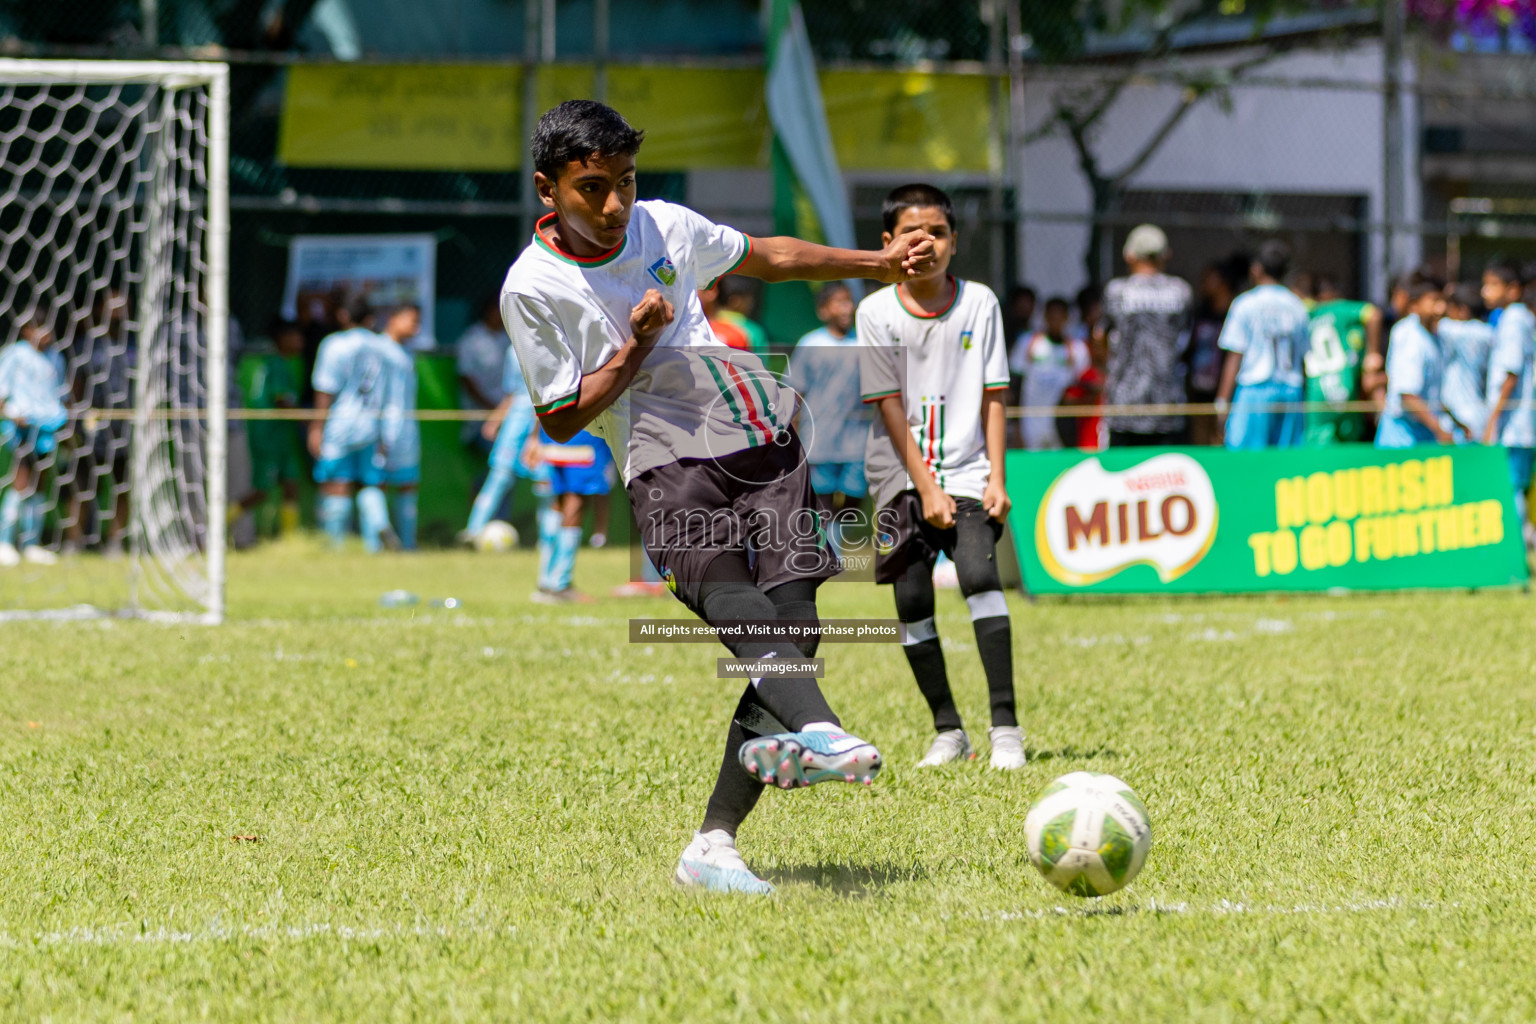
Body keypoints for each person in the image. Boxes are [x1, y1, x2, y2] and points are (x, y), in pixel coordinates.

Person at [501, 100, 935, 895]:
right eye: (592, 187)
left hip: (758, 438)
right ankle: (821, 730)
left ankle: (713, 845)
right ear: (547, 189)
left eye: (625, 183)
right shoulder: (532, 288)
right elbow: (562, 416)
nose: (613, 206)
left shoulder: (665, 225)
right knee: (740, 608)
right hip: (664, 462)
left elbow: (767, 255)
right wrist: (637, 344)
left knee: (793, 627)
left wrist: (874, 267)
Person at [857, 182, 1023, 773]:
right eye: (911, 231)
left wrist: (996, 479)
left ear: (954, 242)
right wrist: (924, 487)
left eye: (938, 231)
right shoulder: (874, 311)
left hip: (970, 472)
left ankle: (1005, 727)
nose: (924, 240)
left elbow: (996, 397)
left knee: (980, 576)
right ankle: (947, 729)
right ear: (888, 242)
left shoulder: (980, 302)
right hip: (901, 476)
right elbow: (888, 405)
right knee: (911, 600)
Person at [308, 297, 398, 553]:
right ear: (370, 319)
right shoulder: (382, 347)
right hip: (371, 424)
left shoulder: (334, 345)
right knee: (370, 482)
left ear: (343, 316)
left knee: (336, 482)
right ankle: (377, 535)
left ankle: (334, 545)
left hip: (340, 424)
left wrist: (316, 428)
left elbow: (325, 388)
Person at [784, 282, 867, 553]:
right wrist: (792, 436)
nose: (846, 308)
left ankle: (836, 546)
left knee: (855, 496)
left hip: (857, 439)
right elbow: (795, 392)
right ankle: (829, 554)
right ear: (823, 310)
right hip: (819, 439)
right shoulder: (811, 343)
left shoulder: (863, 342)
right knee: (823, 500)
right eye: (839, 302)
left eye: (848, 302)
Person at [1099, 224, 1193, 446]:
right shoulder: (1181, 291)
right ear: (1165, 254)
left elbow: (1101, 336)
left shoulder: (1116, 291)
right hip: (1168, 404)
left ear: (1129, 255)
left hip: (1123, 404)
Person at [1216, 240, 1310, 449]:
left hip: (1254, 389)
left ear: (1256, 269)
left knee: (1247, 461)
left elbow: (1235, 355)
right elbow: (1305, 357)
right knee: (1285, 465)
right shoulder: (1297, 305)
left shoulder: (1245, 303)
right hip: (1290, 390)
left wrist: (1222, 402)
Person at [0, 315, 68, 567]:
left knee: (39, 484)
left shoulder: (55, 357)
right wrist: (11, 413)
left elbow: (61, 392)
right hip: (22, 427)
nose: (46, 335)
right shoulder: (15, 355)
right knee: (20, 481)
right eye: (40, 329)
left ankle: (31, 543)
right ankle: (5, 542)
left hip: (46, 426)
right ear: (27, 330)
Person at [1480, 262, 1535, 551]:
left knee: (1510, 486)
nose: (1484, 292)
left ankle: (1513, 553)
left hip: (1513, 424)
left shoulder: (1513, 319)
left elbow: (1510, 375)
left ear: (1512, 290)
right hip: (1523, 423)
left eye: (1492, 285)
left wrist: (1492, 421)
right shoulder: (1521, 317)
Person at [1303, 273, 1383, 446]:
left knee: (1318, 447)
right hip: (1345, 384)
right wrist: (1373, 354)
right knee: (1350, 446)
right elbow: (1373, 313)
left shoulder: (1307, 313)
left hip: (1317, 391)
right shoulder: (1341, 308)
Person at [243, 320, 305, 537]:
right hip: (268, 438)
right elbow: (281, 400)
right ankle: (219, 523)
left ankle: (290, 539)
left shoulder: (285, 364)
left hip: (282, 438)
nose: (300, 341)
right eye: (296, 336)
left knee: (291, 484)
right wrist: (307, 418)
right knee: (262, 492)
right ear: (282, 339)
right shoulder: (275, 364)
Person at [1376, 279, 1454, 448]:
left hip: (1423, 430)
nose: (1440, 308)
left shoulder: (1435, 337)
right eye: (1433, 301)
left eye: (1442, 301)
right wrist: (1439, 430)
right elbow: (1408, 395)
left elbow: (1432, 393)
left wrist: (1456, 421)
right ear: (1414, 305)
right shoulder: (1409, 335)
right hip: (1401, 436)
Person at [1013, 295, 1090, 451]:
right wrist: (1016, 426)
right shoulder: (1027, 343)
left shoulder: (1078, 349)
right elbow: (1015, 384)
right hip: (1031, 423)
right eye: (1051, 315)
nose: (1055, 320)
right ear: (1044, 316)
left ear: (1067, 318)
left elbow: (1083, 388)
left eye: (1060, 315)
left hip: (1063, 426)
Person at [377, 304, 423, 551]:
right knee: (378, 484)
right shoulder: (379, 350)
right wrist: (378, 431)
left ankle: (408, 545)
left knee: (408, 483)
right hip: (386, 428)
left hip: (407, 429)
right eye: (411, 320)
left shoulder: (407, 352)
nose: (415, 327)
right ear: (392, 318)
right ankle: (377, 544)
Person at [1187, 255, 1246, 445]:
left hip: (1228, 392)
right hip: (1199, 391)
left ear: (1223, 283)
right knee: (1200, 442)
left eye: (1209, 278)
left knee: (1222, 442)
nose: (1203, 283)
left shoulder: (1236, 313)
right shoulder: (1199, 312)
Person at [456, 293, 511, 459]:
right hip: (480, 422)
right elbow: (466, 379)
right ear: (490, 311)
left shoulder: (510, 338)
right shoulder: (471, 340)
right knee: (500, 460)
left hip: (509, 416)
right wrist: (494, 410)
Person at [1439, 283, 1494, 443]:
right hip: (1481, 413)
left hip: (1459, 415)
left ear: (1462, 310)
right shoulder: (1489, 333)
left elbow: (1435, 323)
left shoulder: (1453, 331)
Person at [716, 276, 769, 354]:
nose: (751, 303)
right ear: (735, 300)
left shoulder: (707, 322)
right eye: (748, 298)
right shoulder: (752, 331)